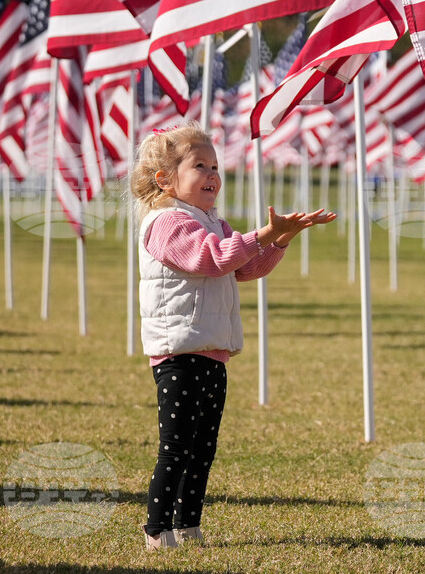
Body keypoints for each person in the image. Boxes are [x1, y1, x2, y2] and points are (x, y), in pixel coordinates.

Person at [130, 122, 335, 551]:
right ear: (164, 179)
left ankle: (187, 524)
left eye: (215, 166)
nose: (212, 175)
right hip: (179, 352)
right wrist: (261, 234)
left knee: (202, 448)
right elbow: (212, 258)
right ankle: (156, 529)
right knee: (176, 448)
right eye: (199, 165)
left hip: (212, 352)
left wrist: (279, 241)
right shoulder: (166, 222)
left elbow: (244, 269)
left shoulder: (210, 220)